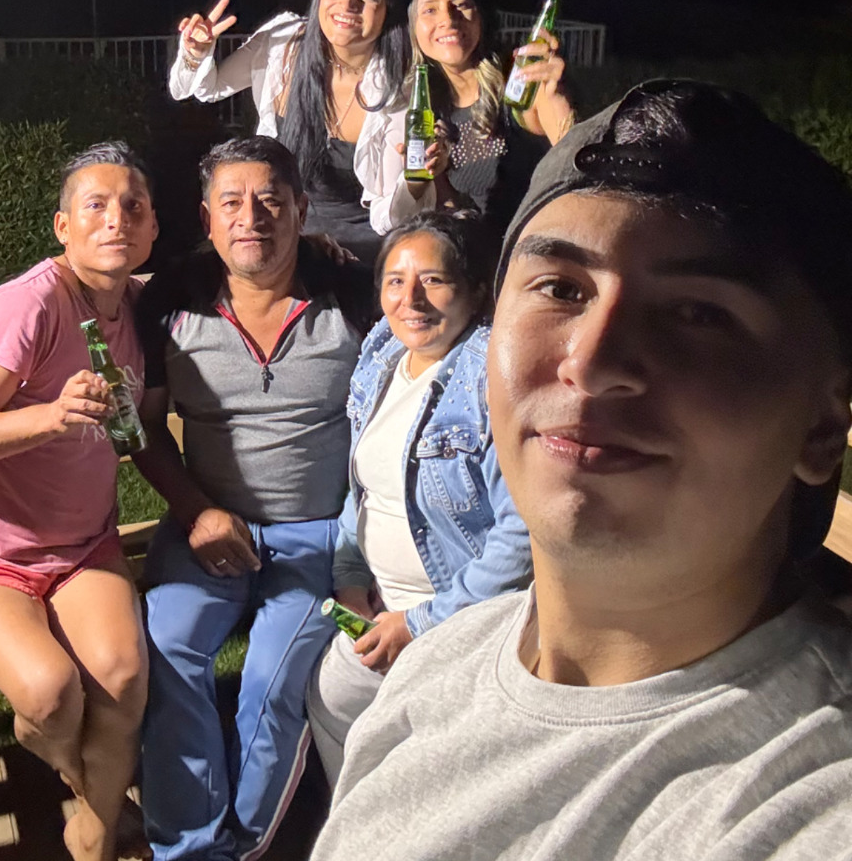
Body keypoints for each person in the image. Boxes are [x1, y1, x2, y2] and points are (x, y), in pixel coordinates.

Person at [312, 80, 852, 860]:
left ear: (824, 424)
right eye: (561, 289)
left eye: (699, 312)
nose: (592, 363)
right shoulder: (435, 677)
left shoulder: (808, 797)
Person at [131, 136, 372, 861]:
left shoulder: (356, 294)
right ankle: (190, 846)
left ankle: (243, 844)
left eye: (270, 200)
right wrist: (196, 511)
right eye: (231, 202)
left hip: (321, 538)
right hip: (204, 528)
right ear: (207, 218)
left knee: (273, 678)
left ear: (301, 209)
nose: (252, 217)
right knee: (168, 650)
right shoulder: (171, 300)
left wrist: (357, 561)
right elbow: (143, 430)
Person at [0, 141, 158, 861]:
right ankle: (82, 780)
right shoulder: (28, 305)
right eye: (96, 205)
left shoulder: (138, 303)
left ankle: (93, 837)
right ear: (62, 226)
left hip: (83, 546)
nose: (115, 220)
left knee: (121, 681)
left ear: (152, 229)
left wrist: (322, 252)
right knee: (51, 695)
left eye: (134, 207)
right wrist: (50, 417)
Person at [305, 210, 532, 788]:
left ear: (475, 292)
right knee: (333, 697)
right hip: (381, 610)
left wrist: (420, 623)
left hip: (462, 618)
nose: (411, 300)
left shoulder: (493, 378)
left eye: (433, 280)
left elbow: (522, 535)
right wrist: (350, 576)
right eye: (395, 281)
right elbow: (365, 486)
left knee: (432, 753)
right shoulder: (383, 351)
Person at [168, 0, 409, 264]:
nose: (348, 5)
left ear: (388, 8)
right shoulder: (283, 42)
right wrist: (196, 53)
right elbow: (203, 89)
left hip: (367, 250)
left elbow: (394, 214)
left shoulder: (400, 82)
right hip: (282, 235)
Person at [371, 0, 576, 242]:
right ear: (413, 26)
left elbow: (577, 166)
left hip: (533, 246)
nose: (448, 19)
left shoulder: (520, 82)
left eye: (461, 5)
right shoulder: (421, 104)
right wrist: (430, 176)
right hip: (471, 252)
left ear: (481, 15)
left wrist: (558, 97)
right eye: (430, 10)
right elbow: (454, 211)